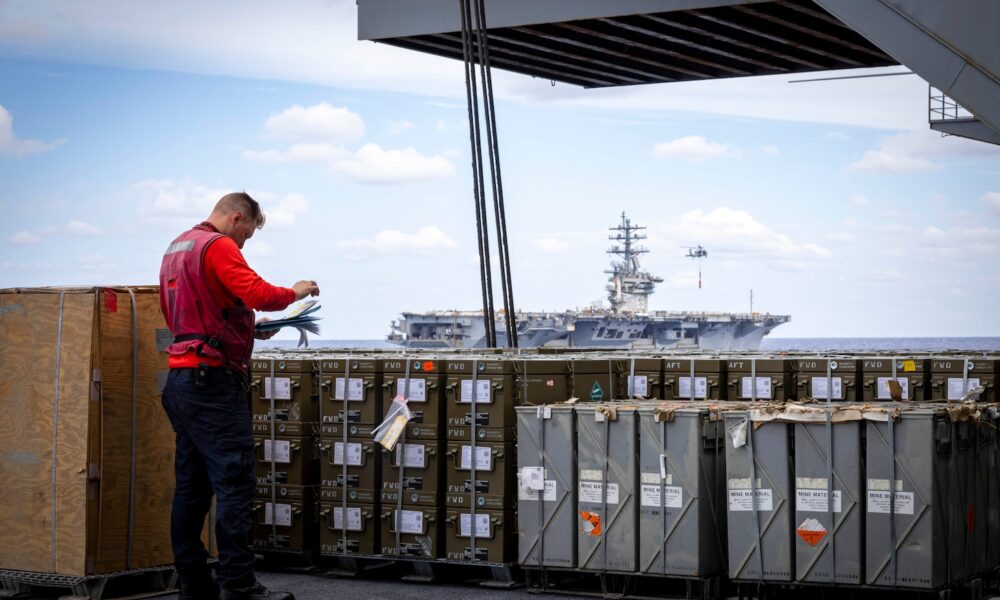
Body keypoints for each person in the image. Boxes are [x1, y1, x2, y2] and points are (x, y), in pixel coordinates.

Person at [159, 193, 319, 600]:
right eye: (246, 234)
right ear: (236, 218)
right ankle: (239, 585)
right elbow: (257, 291)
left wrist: (250, 328)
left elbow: (199, 313)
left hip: (181, 381)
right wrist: (295, 292)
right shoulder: (218, 244)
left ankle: (194, 586)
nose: (244, 244)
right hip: (211, 384)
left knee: (192, 488)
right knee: (235, 483)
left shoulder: (178, 246)